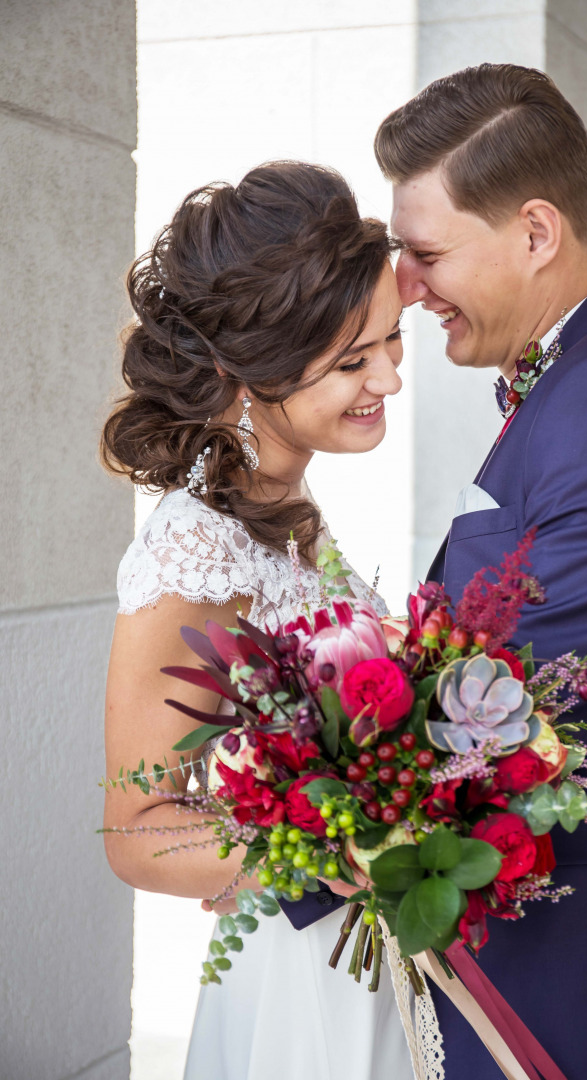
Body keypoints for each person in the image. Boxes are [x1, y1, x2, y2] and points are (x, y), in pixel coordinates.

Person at [368, 63, 587, 1079]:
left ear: (534, 232)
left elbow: (509, 690)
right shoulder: (583, 387)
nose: (408, 286)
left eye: (426, 253)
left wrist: (294, 838)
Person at [101, 161, 414, 1080]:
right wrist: (324, 848)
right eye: (355, 361)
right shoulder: (191, 553)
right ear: (249, 374)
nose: (389, 379)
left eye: (393, 342)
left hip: (368, 958)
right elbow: (134, 827)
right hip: (301, 976)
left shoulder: (279, 498)